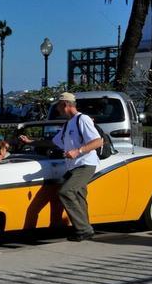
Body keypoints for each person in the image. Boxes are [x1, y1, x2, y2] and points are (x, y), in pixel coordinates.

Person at [18, 92, 103, 241]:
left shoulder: (82, 120)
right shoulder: (67, 124)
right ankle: (84, 229)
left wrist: (78, 151)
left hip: (85, 164)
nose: (57, 109)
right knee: (79, 196)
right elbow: (53, 142)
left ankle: (84, 229)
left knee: (66, 191)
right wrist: (31, 142)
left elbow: (97, 141)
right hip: (74, 166)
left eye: (58, 105)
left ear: (65, 104)